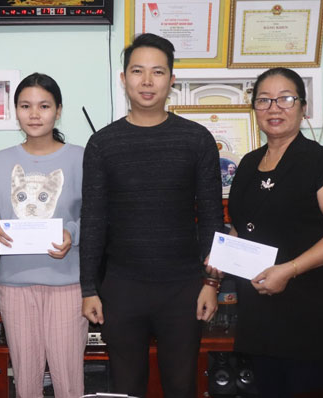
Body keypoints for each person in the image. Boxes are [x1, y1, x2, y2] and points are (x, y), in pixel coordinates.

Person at [80, 33, 224, 397]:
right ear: (123, 78)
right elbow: (93, 220)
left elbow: (210, 219)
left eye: (157, 72)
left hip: (183, 288)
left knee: (181, 386)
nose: (147, 81)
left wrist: (211, 283)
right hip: (122, 289)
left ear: (172, 80)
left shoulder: (197, 139)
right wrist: (88, 289)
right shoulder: (103, 144)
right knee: (126, 389)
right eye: (137, 71)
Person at [226, 67, 323, 397]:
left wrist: (289, 270)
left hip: (305, 310)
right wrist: (225, 252)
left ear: (303, 106)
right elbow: (242, 225)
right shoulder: (247, 164)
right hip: (258, 313)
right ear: (253, 108)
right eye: (264, 100)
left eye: (285, 98)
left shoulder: (320, 162)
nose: (274, 108)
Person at [0, 73, 87, 398]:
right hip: (14, 282)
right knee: (26, 380)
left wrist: (72, 233)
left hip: (66, 281)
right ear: (16, 111)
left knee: (67, 378)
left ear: (58, 110)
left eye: (44, 105)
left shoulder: (80, 158)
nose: (34, 114)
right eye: (26, 106)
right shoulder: (1, 161)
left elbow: (96, 216)